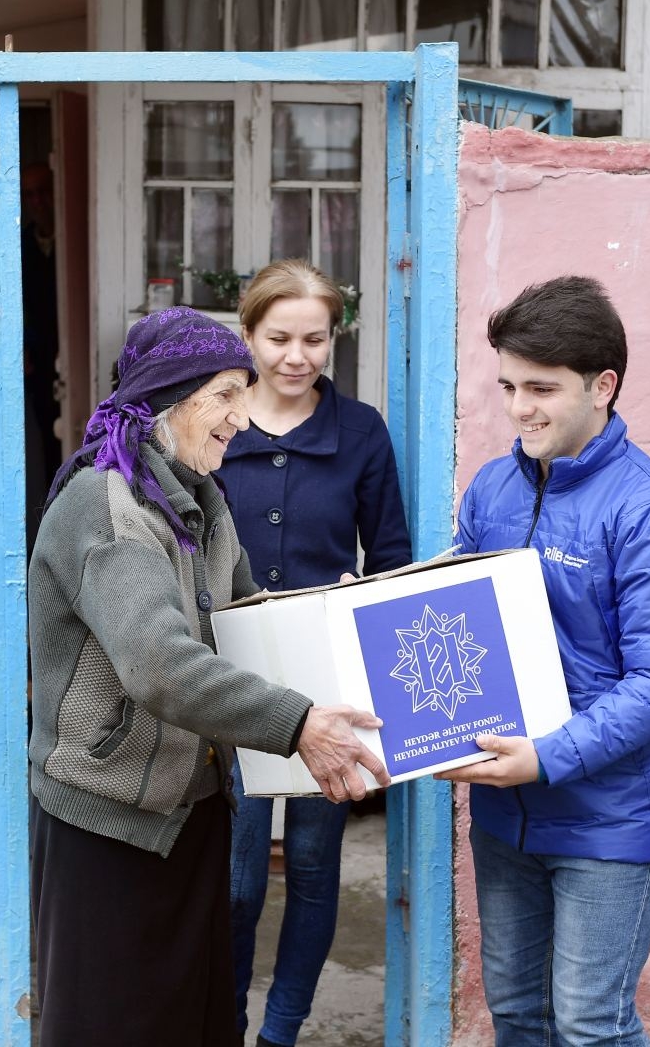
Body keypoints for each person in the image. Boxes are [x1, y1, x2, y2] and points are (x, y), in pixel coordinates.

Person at [27, 306, 391, 1047]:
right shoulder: (110, 506)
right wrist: (298, 726)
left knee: (192, 1021)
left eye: (243, 394)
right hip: (108, 825)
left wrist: (337, 622)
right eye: (226, 394)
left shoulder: (202, 501)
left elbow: (247, 627)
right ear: (169, 397)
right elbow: (161, 665)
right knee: (113, 1028)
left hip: (190, 811)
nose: (242, 417)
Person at [439, 275, 650, 1046]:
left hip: (610, 823)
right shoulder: (493, 486)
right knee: (520, 1019)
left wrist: (546, 758)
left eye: (541, 388)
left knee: (593, 1026)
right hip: (506, 813)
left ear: (603, 386)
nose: (519, 407)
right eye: (507, 386)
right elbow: (456, 610)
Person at [222, 260, 411, 1047]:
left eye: (315, 339)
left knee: (309, 868)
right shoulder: (217, 420)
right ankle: (221, 1019)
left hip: (326, 684)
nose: (297, 357)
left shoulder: (361, 430)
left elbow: (394, 555)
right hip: (226, 679)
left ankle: (282, 1032)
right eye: (278, 338)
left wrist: (356, 591)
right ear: (247, 335)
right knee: (233, 882)